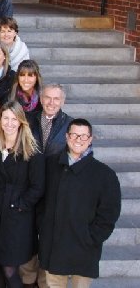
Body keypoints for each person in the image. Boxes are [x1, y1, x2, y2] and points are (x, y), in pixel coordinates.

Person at [38, 118, 121, 287]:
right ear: (67, 137)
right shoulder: (50, 165)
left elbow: (109, 214)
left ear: (90, 139)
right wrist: (43, 228)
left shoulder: (105, 174)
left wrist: (91, 238)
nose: (78, 140)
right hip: (54, 245)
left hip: (85, 248)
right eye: (74, 135)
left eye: (83, 136)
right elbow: (40, 200)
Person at [0, 104, 45, 288]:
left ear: (21, 122)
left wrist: (20, 205)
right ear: (0, 120)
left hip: (18, 217)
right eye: (5, 118)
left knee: (9, 268)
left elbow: (38, 187)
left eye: (14, 119)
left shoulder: (32, 150)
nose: (9, 123)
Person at [29, 83, 74, 157]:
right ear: (41, 99)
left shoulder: (71, 124)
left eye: (56, 99)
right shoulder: (28, 120)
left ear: (62, 102)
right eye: (47, 97)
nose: (51, 102)